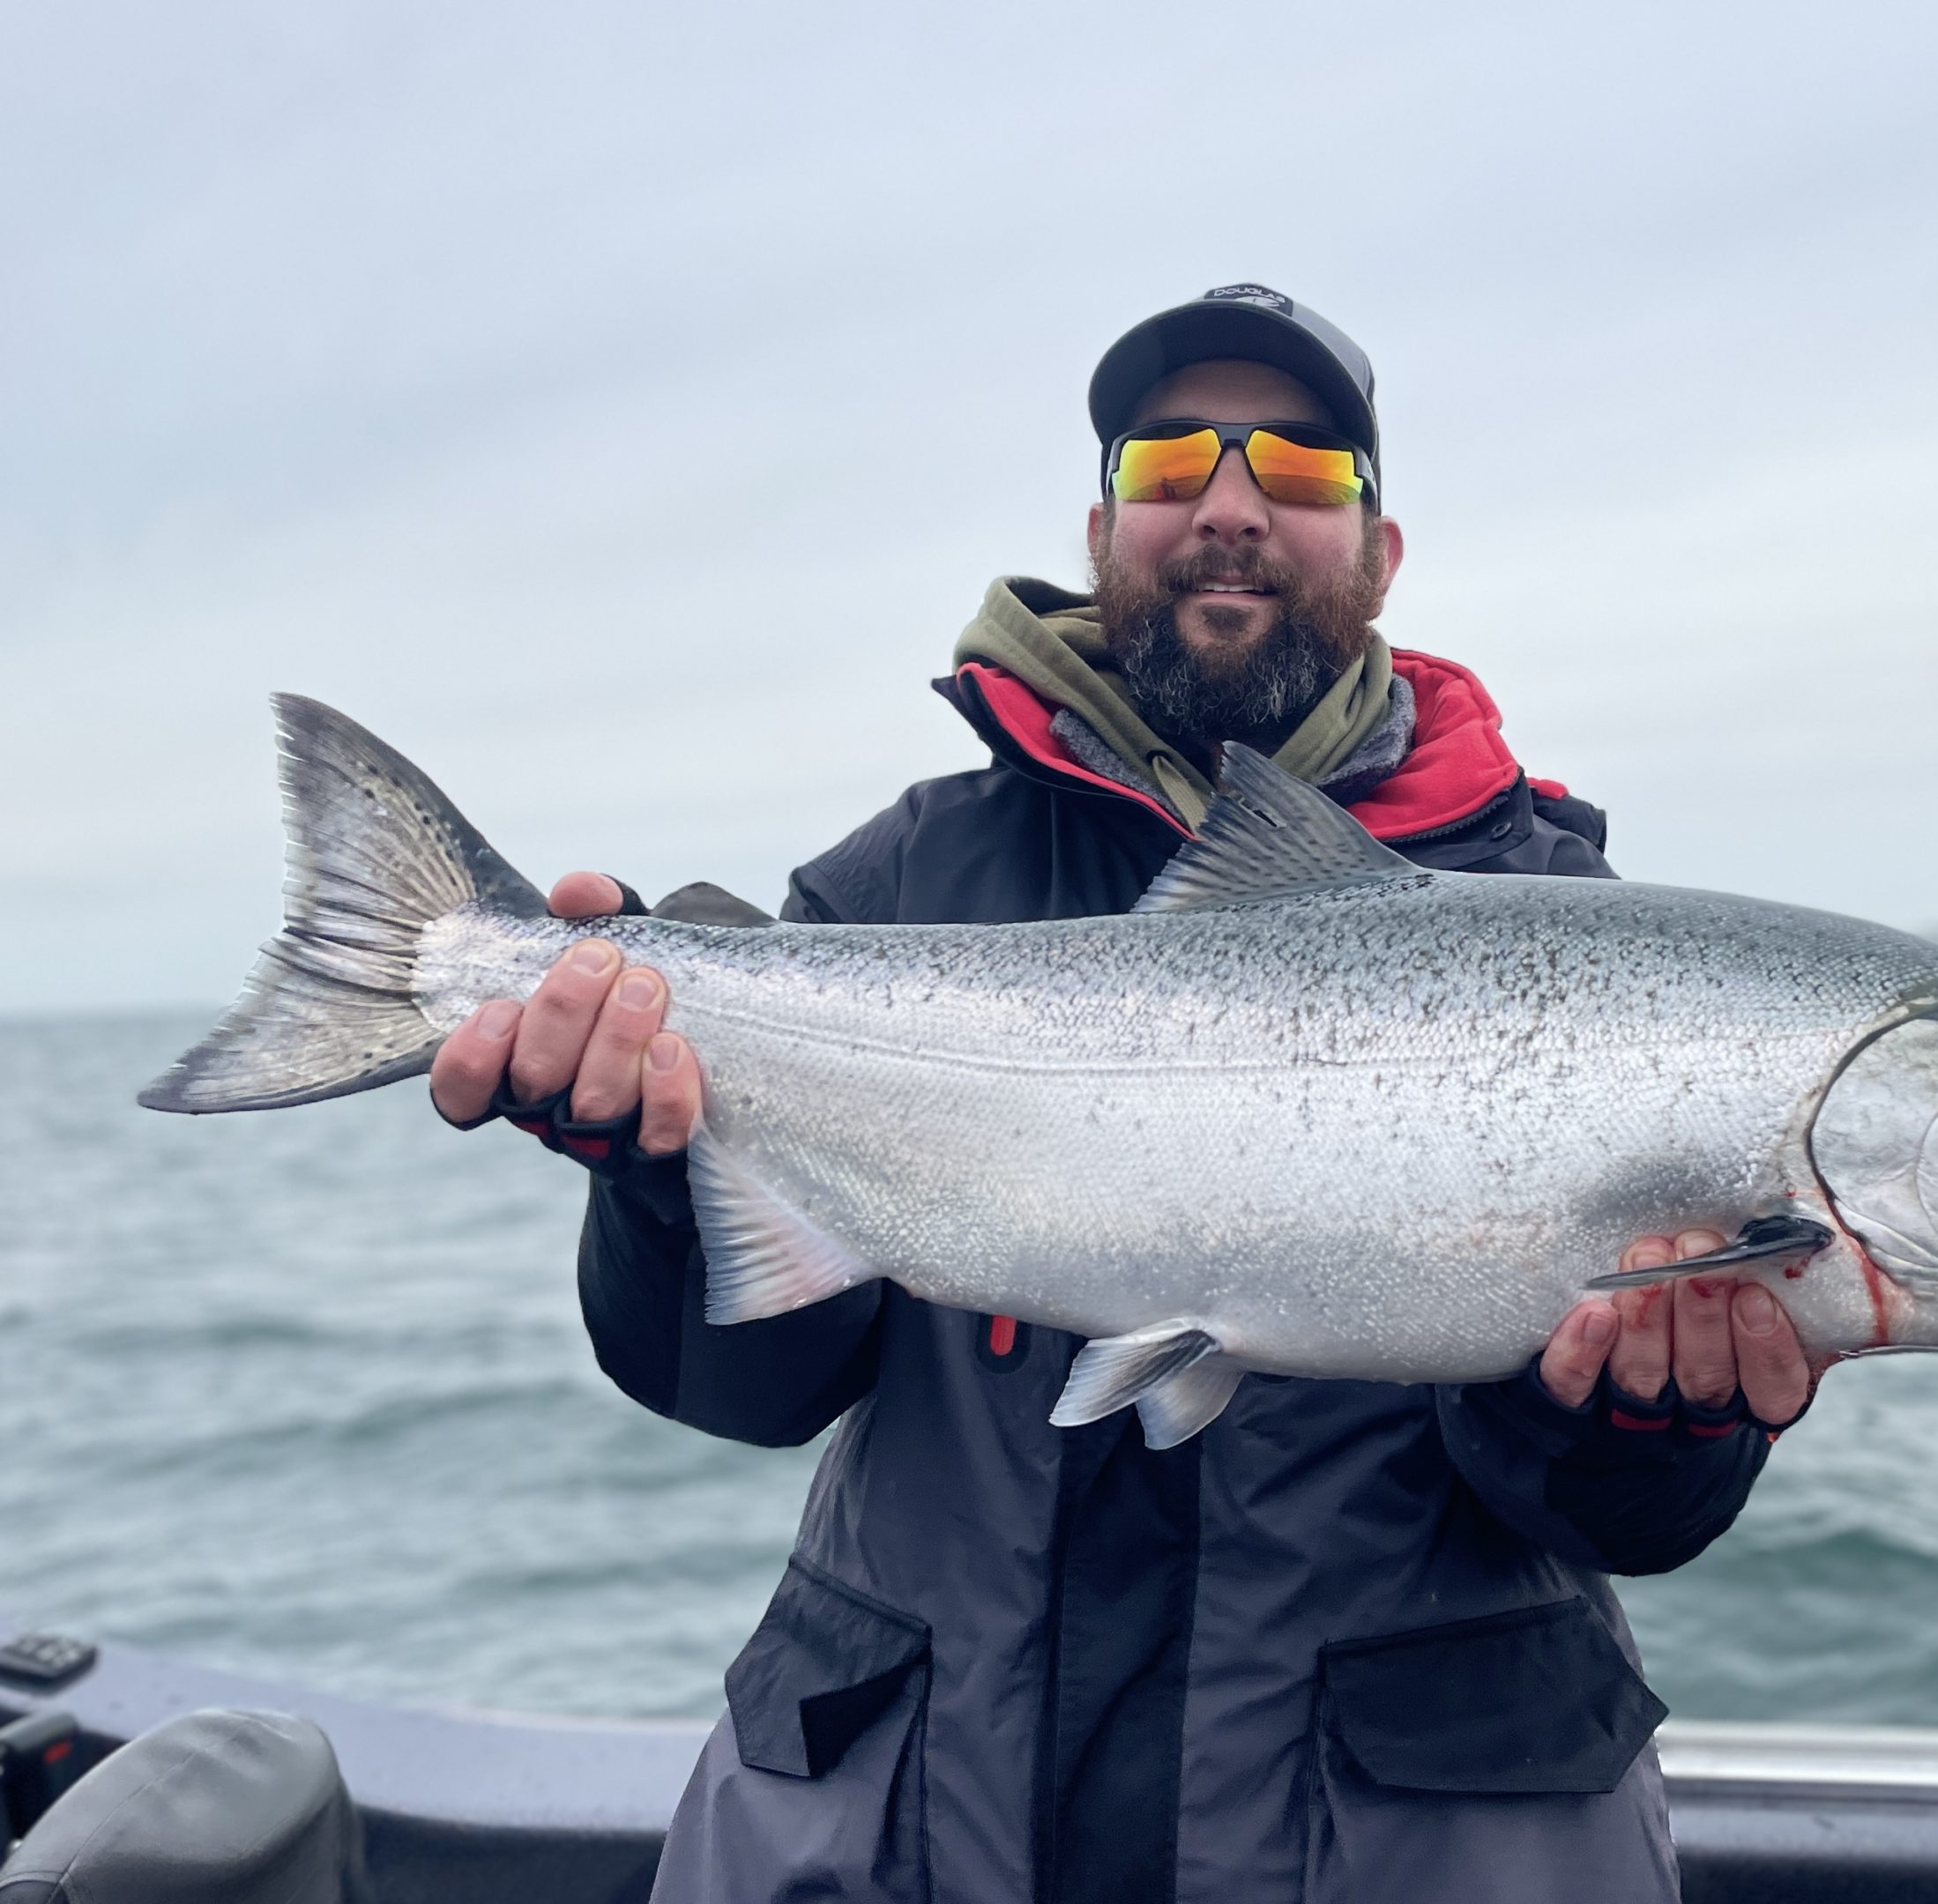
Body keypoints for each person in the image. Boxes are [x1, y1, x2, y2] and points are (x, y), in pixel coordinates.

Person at [429, 285, 1821, 1904]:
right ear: (1104, 526)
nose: (1230, 505)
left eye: (1300, 472)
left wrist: (1645, 1410)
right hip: (912, 1824)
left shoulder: (1555, 919)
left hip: (1395, 1839)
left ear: (1382, 550)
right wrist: (656, 1171)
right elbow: (750, 1387)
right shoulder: (903, 878)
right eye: (1174, 464)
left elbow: (1610, 1516)